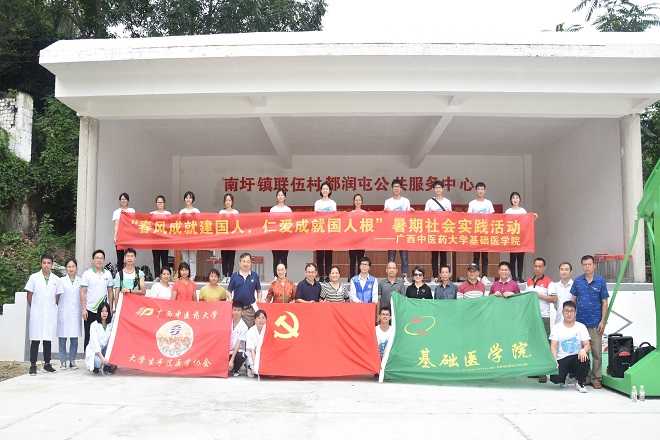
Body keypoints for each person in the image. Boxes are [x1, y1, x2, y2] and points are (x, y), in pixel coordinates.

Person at [571, 254, 609, 389]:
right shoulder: (577, 281)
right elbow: (573, 301)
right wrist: (572, 320)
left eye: (589, 264)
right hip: (580, 323)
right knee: (583, 352)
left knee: (597, 352)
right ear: (582, 266)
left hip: (596, 323)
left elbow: (604, 302)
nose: (587, 267)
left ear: (594, 266)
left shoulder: (600, 281)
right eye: (585, 265)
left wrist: (603, 321)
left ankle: (596, 378)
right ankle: (585, 377)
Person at [25, 254, 60, 375]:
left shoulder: (56, 279)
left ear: (52, 265)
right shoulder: (34, 277)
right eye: (44, 263)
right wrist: (35, 307)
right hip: (37, 313)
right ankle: (33, 365)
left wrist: (52, 307)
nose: (46, 265)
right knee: (35, 340)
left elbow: (57, 296)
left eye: (49, 263)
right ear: (41, 264)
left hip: (49, 313)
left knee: (47, 339)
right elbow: (29, 295)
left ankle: (47, 364)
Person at [549, 301, 591, 393]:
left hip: (576, 357)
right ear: (562, 312)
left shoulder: (581, 327)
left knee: (584, 358)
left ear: (575, 313)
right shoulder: (557, 327)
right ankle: (565, 377)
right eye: (566, 311)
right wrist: (554, 360)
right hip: (562, 358)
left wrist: (584, 350)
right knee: (555, 379)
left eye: (571, 311)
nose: (569, 314)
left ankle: (580, 383)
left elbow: (587, 344)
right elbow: (553, 346)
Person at [526, 257, 555, 383]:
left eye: (540, 266)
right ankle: (535, 370)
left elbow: (554, 299)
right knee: (533, 343)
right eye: (536, 266)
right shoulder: (528, 281)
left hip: (543, 316)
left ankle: (543, 372)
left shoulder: (549, 282)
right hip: (531, 316)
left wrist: (539, 296)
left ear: (544, 268)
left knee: (544, 344)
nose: (537, 268)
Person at [80, 249, 114, 350]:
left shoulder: (108, 274)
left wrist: (110, 308)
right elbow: (83, 292)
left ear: (104, 260)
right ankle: (88, 358)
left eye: (101, 258)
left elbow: (110, 292)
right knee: (89, 335)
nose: (99, 260)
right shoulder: (87, 274)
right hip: (90, 310)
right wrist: (84, 309)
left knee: (103, 336)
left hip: (103, 312)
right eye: (97, 258)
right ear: (93, 260)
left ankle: (101, 358)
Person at [385, 178, 413, 281]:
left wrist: (411, 212)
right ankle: (390, 277)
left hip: (403, 232)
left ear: (401, 188)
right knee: (391, 257)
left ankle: (404, 276)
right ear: (392, 189)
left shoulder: (406, 201)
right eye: (394, 187)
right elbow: (386, 218)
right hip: (392, 233)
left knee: (404, 257)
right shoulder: (388, 202)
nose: (396, 188)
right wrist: (385, 213)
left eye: (398, 187)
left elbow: (408, 216)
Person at [56, 258, 81, 370]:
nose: (71, 268)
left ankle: (72, 361)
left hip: (75, 312)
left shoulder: (80, 281)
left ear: (76, 268)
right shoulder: (61, 281)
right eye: (69, 266)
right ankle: (63, 361)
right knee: (62, 338)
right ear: (66, 268)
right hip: (63, 312)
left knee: (74, 339)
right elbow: (57, 297)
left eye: (73, 266)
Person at [425, 180, 452, 281]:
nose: (438, 189)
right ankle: (435, 276)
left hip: (444, 231)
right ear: (433, 189)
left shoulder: (447, 202)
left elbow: (451, 216)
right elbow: (424, 216)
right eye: (436, 188)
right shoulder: (429, 202)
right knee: (434, 255)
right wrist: (430, 214)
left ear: (443, 189)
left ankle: (444, 276)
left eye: (440, 188)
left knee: (443, 255)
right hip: (433, 231)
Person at [467, 182, 495, 280]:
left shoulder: (488, 203)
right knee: (476, 256)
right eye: (478, 189)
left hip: (485, 232)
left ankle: (484, 276)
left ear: (485, 190)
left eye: (482, 189)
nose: (480, 191)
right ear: (476, 190)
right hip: (475, 232)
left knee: (485, 256)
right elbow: (469, 217)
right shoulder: (472, 203)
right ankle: (476, 275)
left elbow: (492, 217)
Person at [227, 253, 262, 326]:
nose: (246, 264)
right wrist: (230, 298)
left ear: (251, 263)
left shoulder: (255, 275)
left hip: (249, 309)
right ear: (240, 263)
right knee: (236, 329)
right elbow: (229, 291)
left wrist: (259, 299)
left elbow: (259, 290)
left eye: (248, 262)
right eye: (244, 261)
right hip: (237, 309)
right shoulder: (234, 275)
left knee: (249, 329)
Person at [84, 302, 116, 374]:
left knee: (112, 360)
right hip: (95, 352)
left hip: (105, 350)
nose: (104, 313)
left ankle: (106, 365)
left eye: (106, 311)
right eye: (102, 311)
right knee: (98, 362)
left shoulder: (110, 325)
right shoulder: (94, 325)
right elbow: (95, 343)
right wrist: (102, 359)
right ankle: (99, 366)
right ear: (99, 312)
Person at [314, 181, 337, 282]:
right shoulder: (317, 203)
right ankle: (321, 276)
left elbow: (335, 217)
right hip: (319, 230)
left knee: (328, 255)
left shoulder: (333, 203)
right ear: (321, 190)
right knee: (319, 255)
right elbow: (315, 217)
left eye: (327, 189)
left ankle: (328, 276)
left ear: (330, 191)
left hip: (329, 232)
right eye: (323, 189)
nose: (325, 190)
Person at [270, 189, 293, 277]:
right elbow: (270, 223)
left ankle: (284, 277)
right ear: (276, 197)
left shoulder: (288, 210)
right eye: (279, 195)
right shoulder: (273, 209)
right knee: (275, 258)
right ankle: (276, 277)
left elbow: (291, 223)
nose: (280, 196)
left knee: (284, 258)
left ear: (285, 197)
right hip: (275, 238)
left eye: (282, 195)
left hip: (285, 238)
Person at [505, 192, 527, 282]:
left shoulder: (523, 211)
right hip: (512, 237)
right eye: (513, 198)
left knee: (521, 259)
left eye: (517, 198)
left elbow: (527, 222)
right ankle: (513, 277)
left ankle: (520, 277)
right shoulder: (508, 211)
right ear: (511, 200)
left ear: (519, 200)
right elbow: (505, 223)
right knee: (513, 259)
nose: (515, 199)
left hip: (521, 237)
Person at [179, 190, 201, 280]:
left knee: (192, 258)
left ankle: (192, 276)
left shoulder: (196, 211)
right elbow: (178, 224)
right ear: (184, 199)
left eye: (190, 198)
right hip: (184, 237)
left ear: (193, 199)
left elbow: (199, 224)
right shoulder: (182, 211)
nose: (188, 199)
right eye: (186, 197)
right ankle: (185, 275)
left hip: (193, 237)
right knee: (185, 258)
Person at [112, 192, 135, 273]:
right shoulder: (116, 212)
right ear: (119, 201)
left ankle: (130, 273)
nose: (123, 201)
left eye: (125, 199)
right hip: (120, 237)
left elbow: (133, 223)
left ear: (128, 200)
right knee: (120, 258)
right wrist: (115, 236)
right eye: (122, 199)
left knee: (129, 257)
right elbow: (116, 225)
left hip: (129, 237)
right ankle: (120, 275)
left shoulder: (131, 210)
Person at [150, 195, 171, 278]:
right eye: (158, 202)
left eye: (161, 202)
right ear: (156, 203)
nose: (160, 204)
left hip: (164, 241)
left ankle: (166, 276)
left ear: (164, 203)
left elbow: (170, 226)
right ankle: (157, 277)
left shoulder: (168, 214)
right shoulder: (152, 214)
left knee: (165, 260)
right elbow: (149, 226)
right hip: (155, 240)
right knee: (156, 260)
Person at [219, 193, 239, 283]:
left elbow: (238, 224)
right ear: (224, 202)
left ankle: (230, 275)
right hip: (223, 238)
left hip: (232, 238)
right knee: (224, 257)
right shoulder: (221, 212)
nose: (228, 202)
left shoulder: (235, 212)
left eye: (229, 200)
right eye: (226, 200)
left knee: (231, 257)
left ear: (232, 202)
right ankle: (224, 275)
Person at [348, 194, 366, 279]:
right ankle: (352, 278)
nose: (358, 201)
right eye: (356, 200)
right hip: (352, 240)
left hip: (361, 240)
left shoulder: (365, 213)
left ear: (361, 202)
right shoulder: (350, 213)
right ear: (354, 202)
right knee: (352, 260)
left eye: (359, 200)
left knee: (360, 260)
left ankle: (360, 277)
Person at [229, 302, 249, 376]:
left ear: (242, 312)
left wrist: (231, 360)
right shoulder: (227, 322)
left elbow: (238, 344)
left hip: (237, 351)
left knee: (241, 356)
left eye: (238, 310)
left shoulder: (244, 327)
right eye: (234, 310)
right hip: (227, 351)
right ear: (231, 311)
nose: (236, 312)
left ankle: (235, 369)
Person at [245, 309, 267, 378]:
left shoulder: (268, 330)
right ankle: (249, 367)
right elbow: (252, 351)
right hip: (253, 355)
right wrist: (255, 365)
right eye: (259, 318)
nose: (261, 320)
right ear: (255, 320)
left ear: (266, 320)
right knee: (255, 372)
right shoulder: (250, 332)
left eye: (263, 318)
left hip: (264, 356)